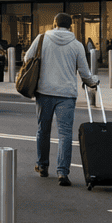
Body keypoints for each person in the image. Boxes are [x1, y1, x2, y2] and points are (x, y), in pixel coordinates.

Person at [27, 13, 99, 185]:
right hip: (66, 95)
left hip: (44, 91)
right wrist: (93, 82)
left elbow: (27, 58)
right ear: (71, 26)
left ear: (54, 24)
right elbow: (84, 73)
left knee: (43, 130)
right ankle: (62, 173)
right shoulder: (76, 45)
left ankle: (42, 165)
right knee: (65, 134)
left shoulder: (42, 39)